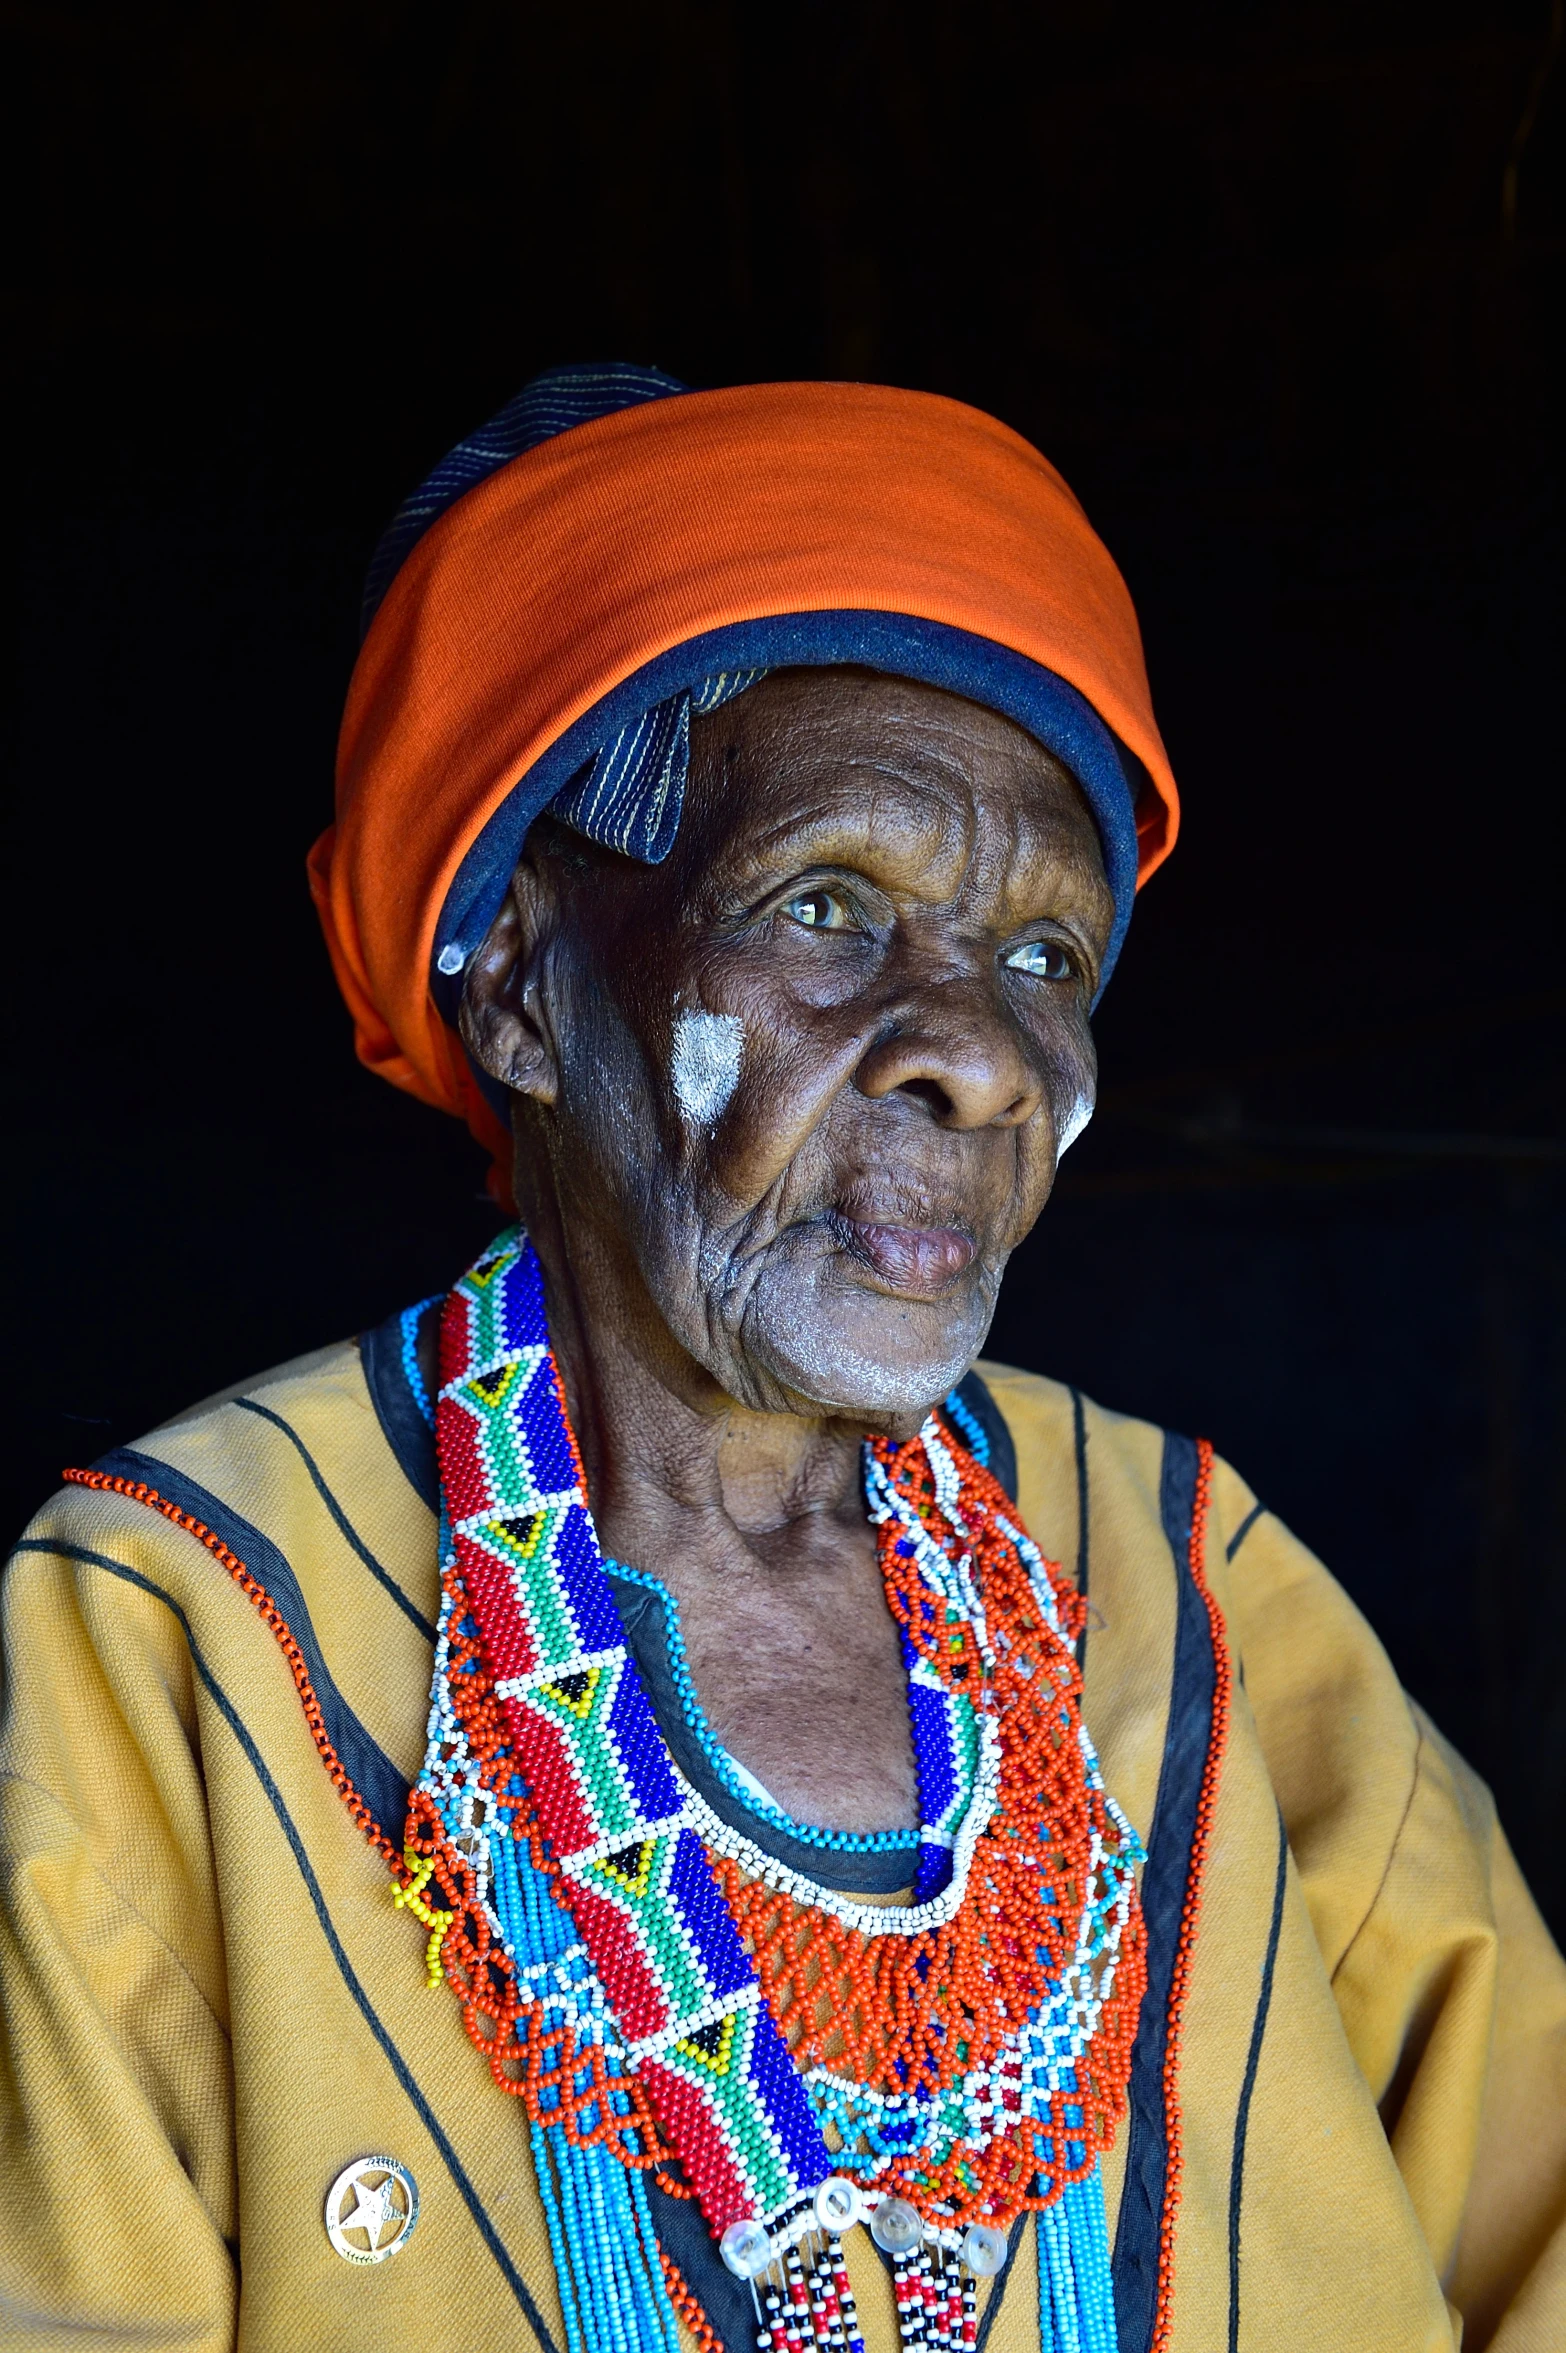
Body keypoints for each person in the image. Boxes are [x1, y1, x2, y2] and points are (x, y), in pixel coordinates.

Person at [3, 366, 1562, 2353]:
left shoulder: (1192, 1581)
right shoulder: (177, 1634)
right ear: (521, 989)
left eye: (1045, 960)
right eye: (833, 908)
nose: (980, 1055)